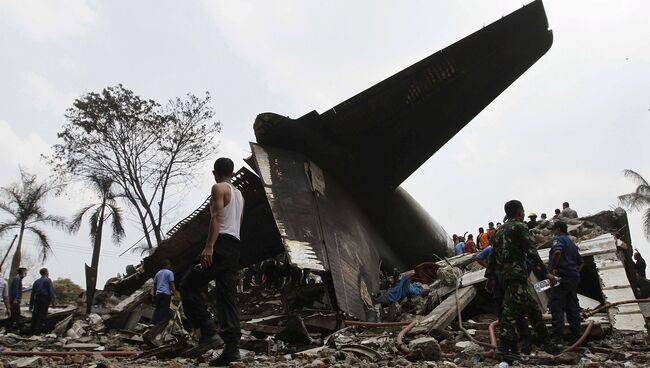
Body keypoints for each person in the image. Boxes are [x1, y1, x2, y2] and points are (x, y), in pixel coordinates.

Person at [180, 157, 244, 366]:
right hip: (234, 246)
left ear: (215, 172)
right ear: (232, 173)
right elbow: (238, 223)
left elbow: (216, 217)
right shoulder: (239, 195)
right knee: (227, 297)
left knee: (188, 285)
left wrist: (209, 247)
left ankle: (208, 332)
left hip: (220, 244)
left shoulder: (218, 188)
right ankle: (232, 350)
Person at [485, 200, 558, 357]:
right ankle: (503, 349)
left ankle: (547, 343)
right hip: (516, 276)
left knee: (532, 309)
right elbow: (531, 252)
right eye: (523, 212)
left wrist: (490, 278)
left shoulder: (498, 232)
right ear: (520, 212)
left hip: (504, 277)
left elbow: (492, 256)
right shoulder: (520, 227)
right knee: (510, 311)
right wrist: (546, 274)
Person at [547, 221, 583, 345]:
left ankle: (557, 338)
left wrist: (552, 270)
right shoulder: (572, 244)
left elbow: (557, 252)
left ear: (558, 230)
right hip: (573, 278)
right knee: (572, 306)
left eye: (553, 230)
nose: (552, 232)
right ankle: (576, 336)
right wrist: (573, 272)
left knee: (556, 305)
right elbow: (580, 262)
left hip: (562, 278)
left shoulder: (558, 240)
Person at [29, 268, 56, 334]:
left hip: (37, 299)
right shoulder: (48, 280)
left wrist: (31, 305)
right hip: (45, 299)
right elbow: (51, 291)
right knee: (42, 315)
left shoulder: (36, 281)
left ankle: (32, 330)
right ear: (46, 272)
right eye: (48, 272)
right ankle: (38, 332)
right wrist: (53, 301)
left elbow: (32, 294)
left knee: (35, 314)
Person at [152, 259, 176, 324]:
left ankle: (153, 323)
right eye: (170, 264)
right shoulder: (170, 273)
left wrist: (154, 295)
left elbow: (154, 286)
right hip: (166, 294)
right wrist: (175, 294)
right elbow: (172, 284)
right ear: (168, 265)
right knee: (163, 310)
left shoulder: (157, 273)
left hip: (158, 294)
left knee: (157, 309)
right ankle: (159, 324)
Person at [7, 267, 27, 331]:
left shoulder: (18, 279)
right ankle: (20, 329)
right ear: (22, 272)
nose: (26, 274)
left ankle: (9, 329)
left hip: (15, 300)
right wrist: (15, 299)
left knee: (13, 315)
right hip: (14, 300)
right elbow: (15, 289)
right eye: (25, 272)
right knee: (16, 314)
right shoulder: (17, 279)